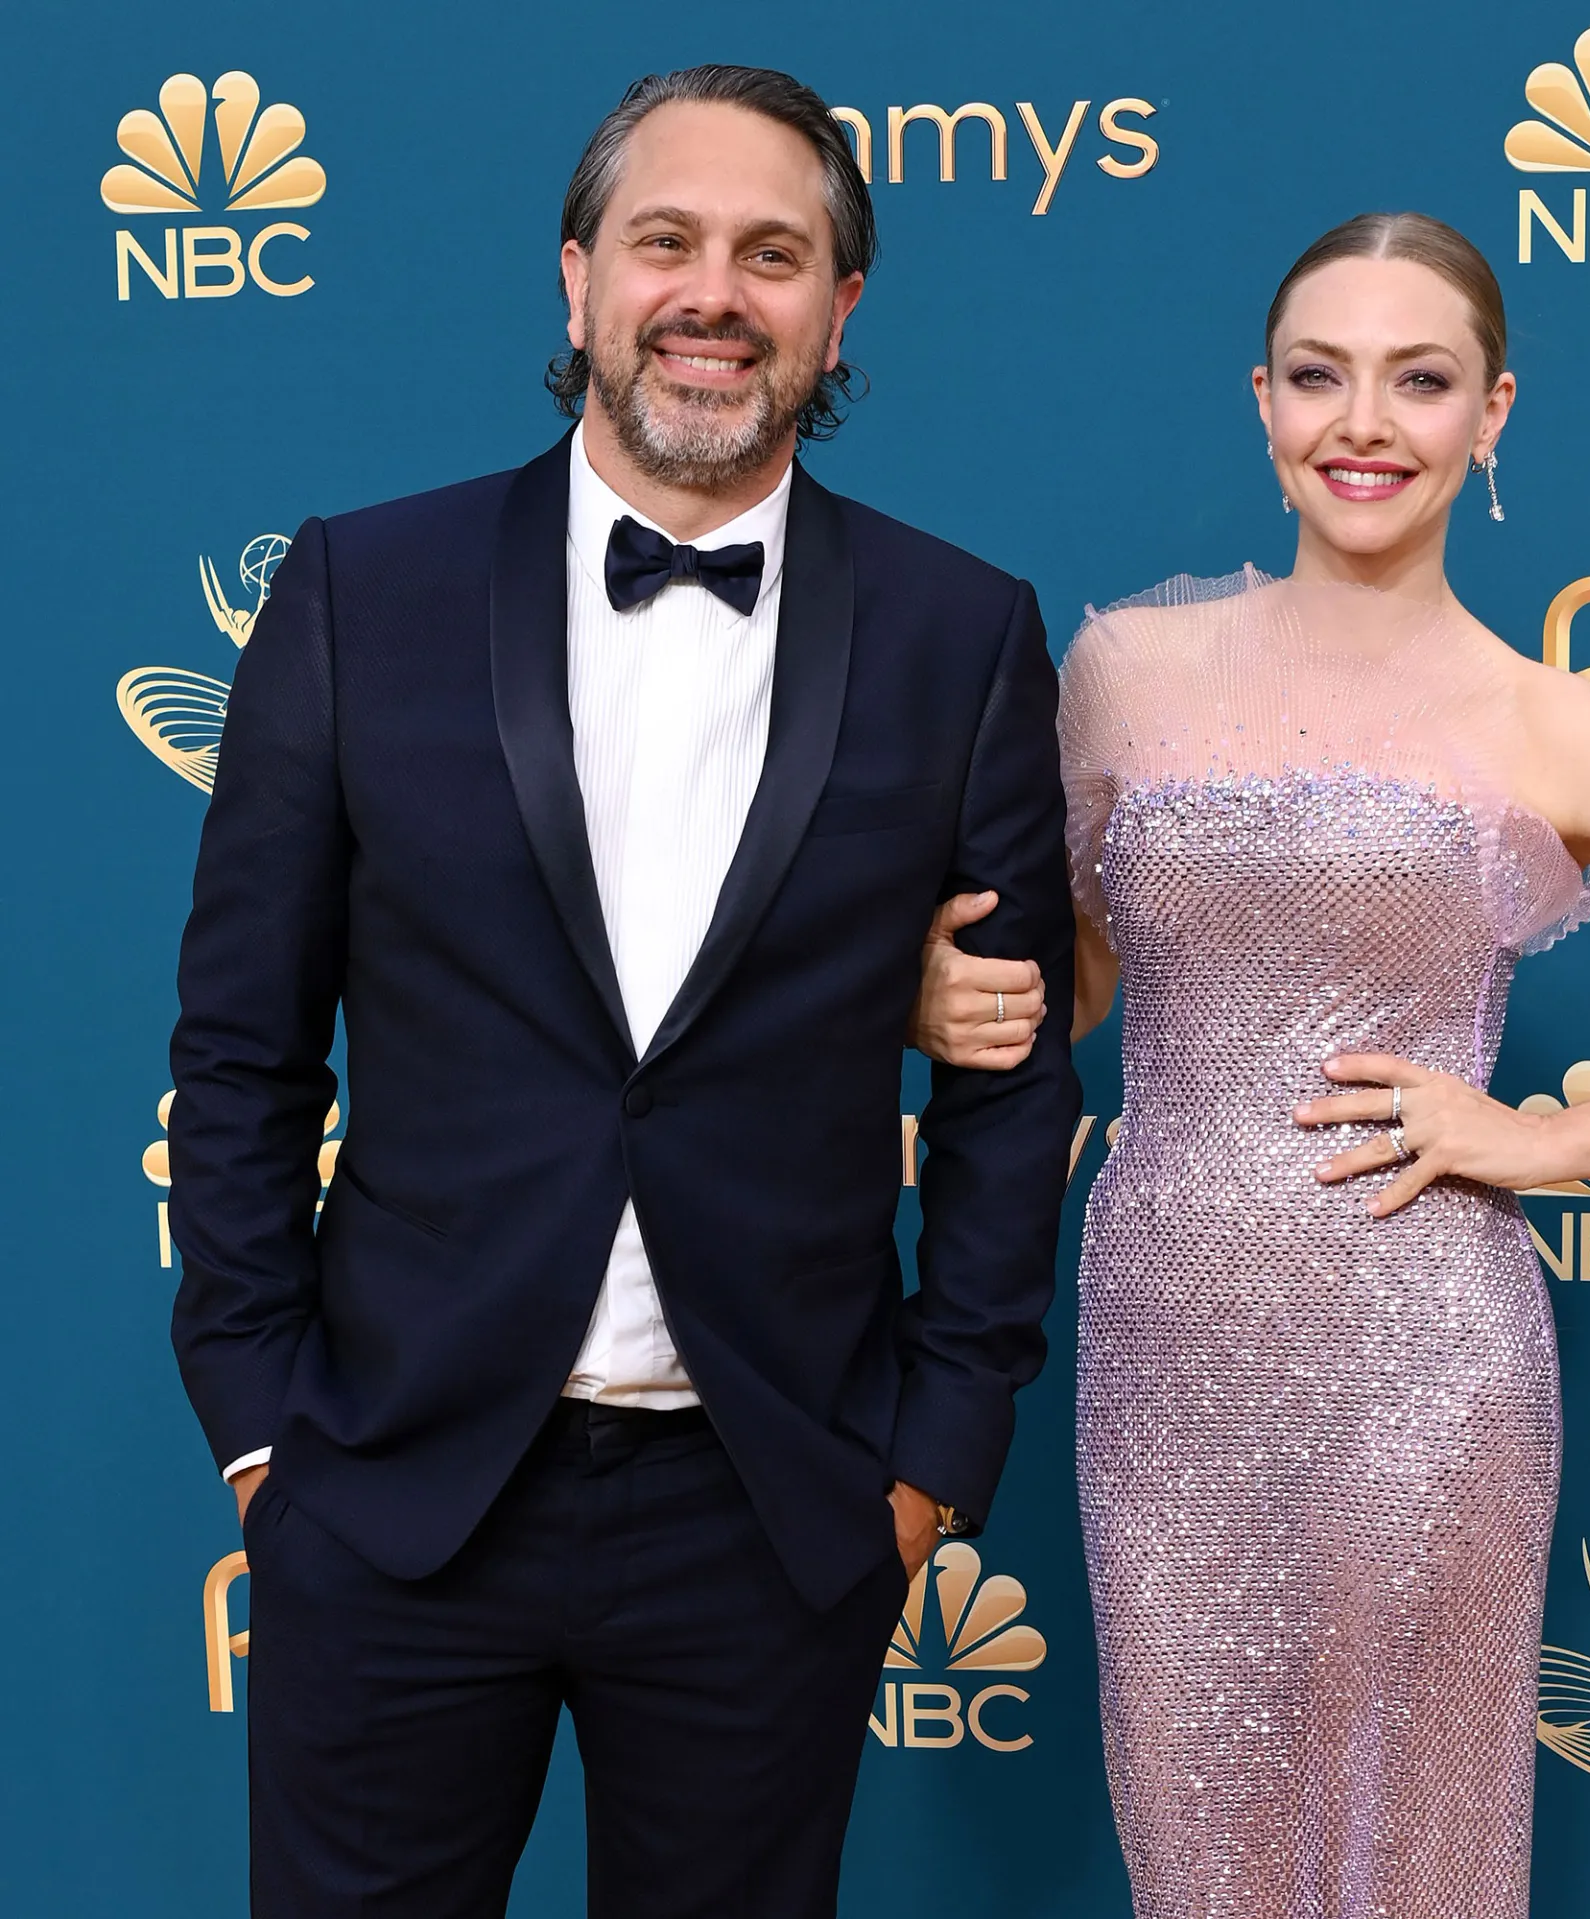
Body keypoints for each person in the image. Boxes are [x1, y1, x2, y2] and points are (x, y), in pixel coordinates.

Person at [166, 64, 1080, 1919]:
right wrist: (268, 1434)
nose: (712, 294)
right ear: (579, 276)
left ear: (839, 309)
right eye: (666, 241)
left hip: (772, 1508)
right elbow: (243, 1047)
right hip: (395, 1485)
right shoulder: (359, 590)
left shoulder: (959, 630)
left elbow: (1007, 1091)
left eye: (772, 254)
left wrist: (928, 1464)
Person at [912, 212, 1590, 1917]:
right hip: (1165, 1351)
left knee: (1410, 1851)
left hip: (1426, 1362)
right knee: (1200, 1846)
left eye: (1419, 380)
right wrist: (942, 996)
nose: (1362, 423)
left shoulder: (1548, 721)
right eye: (1321, 376)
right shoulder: (1121, 673)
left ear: (1491, 413)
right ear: (1263, 402)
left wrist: (1541, 1141)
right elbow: (1070, 990)